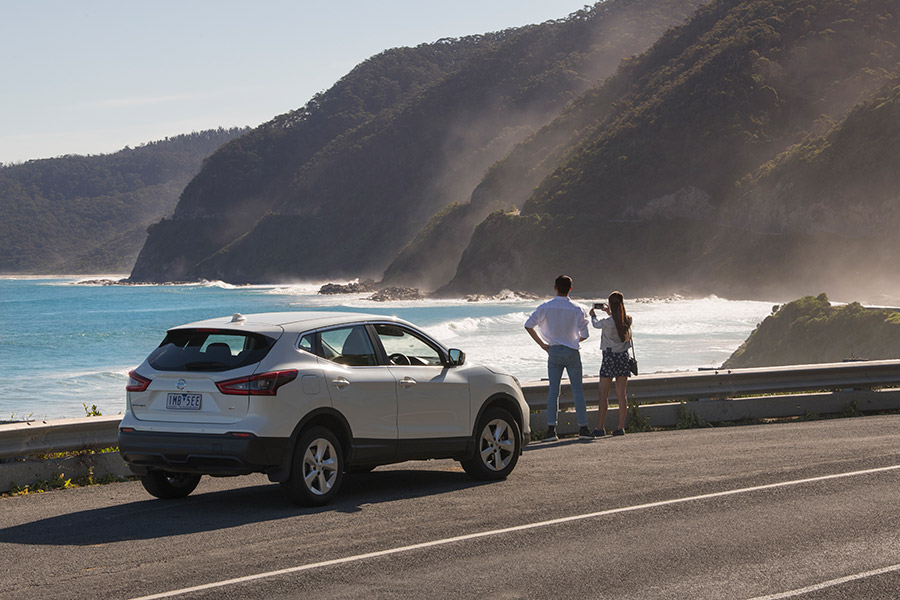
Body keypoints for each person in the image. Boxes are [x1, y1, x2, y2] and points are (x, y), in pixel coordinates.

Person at [524, 275, 592, 441]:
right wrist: (574, 340)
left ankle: (551, 430)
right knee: (578, 390)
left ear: (555, 287)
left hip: (553, 351)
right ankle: (583, 428)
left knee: (554, 391)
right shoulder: (578, 309)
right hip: (572, 351)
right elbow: (585, 334)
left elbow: (528, 325)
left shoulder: (545, 307)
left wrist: (542, 344)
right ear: (570, 288)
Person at [590, 291, 633, 437]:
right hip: (622, 358)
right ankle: (620, 427)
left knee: (603, 394)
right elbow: (619, 321)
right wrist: (610, 312)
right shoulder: (627, 320)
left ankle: (600, 427)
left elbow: (596, 325)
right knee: (621, 394)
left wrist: (593, 315)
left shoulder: (607, 322)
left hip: (609, 357)